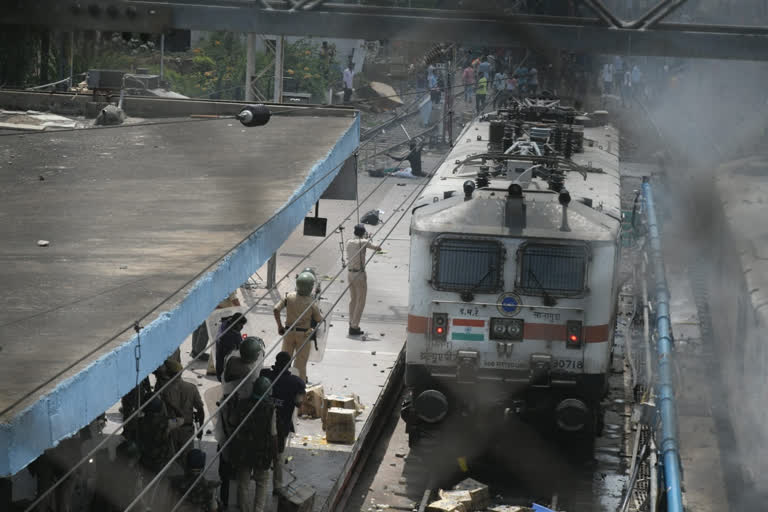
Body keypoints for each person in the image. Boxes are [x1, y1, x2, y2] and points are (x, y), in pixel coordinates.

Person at [218, 336, 265, 507]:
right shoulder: (250, 375)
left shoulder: (231, 360)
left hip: (226, 417)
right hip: (238, 422)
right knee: (239, 472)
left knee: (226, 463)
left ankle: (225, 500)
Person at [260, 352, 306, 493]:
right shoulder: (296, 382)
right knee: (278, 456)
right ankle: (277, 486)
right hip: (282, 424)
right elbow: (298, 403)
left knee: (261, 453)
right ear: (289, 364)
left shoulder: (265, 375)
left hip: (261, 423)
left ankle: (260, 482)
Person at [229, 377, 277, 512]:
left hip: (244, 451)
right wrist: (275, 455)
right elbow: (273, 435)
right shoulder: (270, 409)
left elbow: (233, 423)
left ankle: (244, 509)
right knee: (262, 482)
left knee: (243, 483)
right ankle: (258, 510)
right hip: (262, 451)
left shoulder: (242, 404)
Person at [273, 272, 323, 381]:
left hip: (288, 332)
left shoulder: (289, 297)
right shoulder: (311, 303)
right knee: (300, 364)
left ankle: (282, 380)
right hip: (304, 335)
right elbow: (319, 319)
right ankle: (299, 384)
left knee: (284, 361)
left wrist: (279, 326)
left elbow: (276, 309)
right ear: (310, 287)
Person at [161, 359, 205, 457]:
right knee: (188, 460)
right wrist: (200, 429)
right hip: (187, 430)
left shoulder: (165, 390)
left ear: (168, 373)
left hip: (172, 430)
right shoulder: (191, 388)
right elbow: (200, 410)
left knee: (172, 462)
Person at [345, 224, 382, 336]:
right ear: (362, 233)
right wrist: (369, 239)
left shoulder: (349, 242)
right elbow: (378, 248)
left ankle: (351, 322)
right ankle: (354, 326)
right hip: (359, 274)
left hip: (350, 273)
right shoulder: (363, 242)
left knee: (353, 299)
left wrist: (366, 239)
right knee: (361, 301)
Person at [137, 396, 182, 474]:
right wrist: (171, 405)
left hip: (145, 459)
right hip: (161, 460)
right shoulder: (168, 422)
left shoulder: (140, 421)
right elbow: (181, 419)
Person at [216, 312, 247, 382]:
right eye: (241, 325)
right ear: (235, 323)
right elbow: (233, 355)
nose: (242, 327)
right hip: (226, 369)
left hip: (222, 363)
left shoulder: (229, 323)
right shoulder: (228, 336)